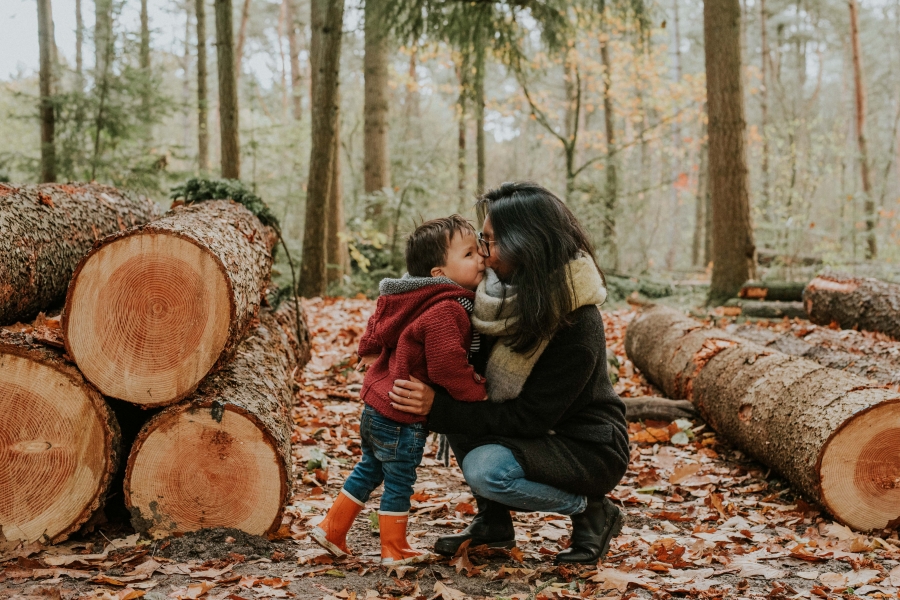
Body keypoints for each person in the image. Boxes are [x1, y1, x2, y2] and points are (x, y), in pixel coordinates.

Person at [388, 182, 630, 565]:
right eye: (478, 244)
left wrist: (436, 409)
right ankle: (493, 525)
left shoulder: (576, 322)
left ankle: (590, 511)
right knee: (460, 397)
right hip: (534, 430)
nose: (482, 256)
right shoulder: (493, 299)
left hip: (586, 446)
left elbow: (529, 418)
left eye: (488, 243)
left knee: (487, 470)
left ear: (526, 243)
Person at [311, 215, 488, 566]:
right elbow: (446, 365)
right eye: (469, 255)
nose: (481, 259)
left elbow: (380, 317)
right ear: (439, 273)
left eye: (478, 251)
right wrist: (478, 390)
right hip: (401, 415)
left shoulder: (409, 294)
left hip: (376, 406)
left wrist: (368, 346)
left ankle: (332, 528)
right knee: (400, 481)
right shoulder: (447, 308)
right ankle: (393, 547)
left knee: (370, 468)